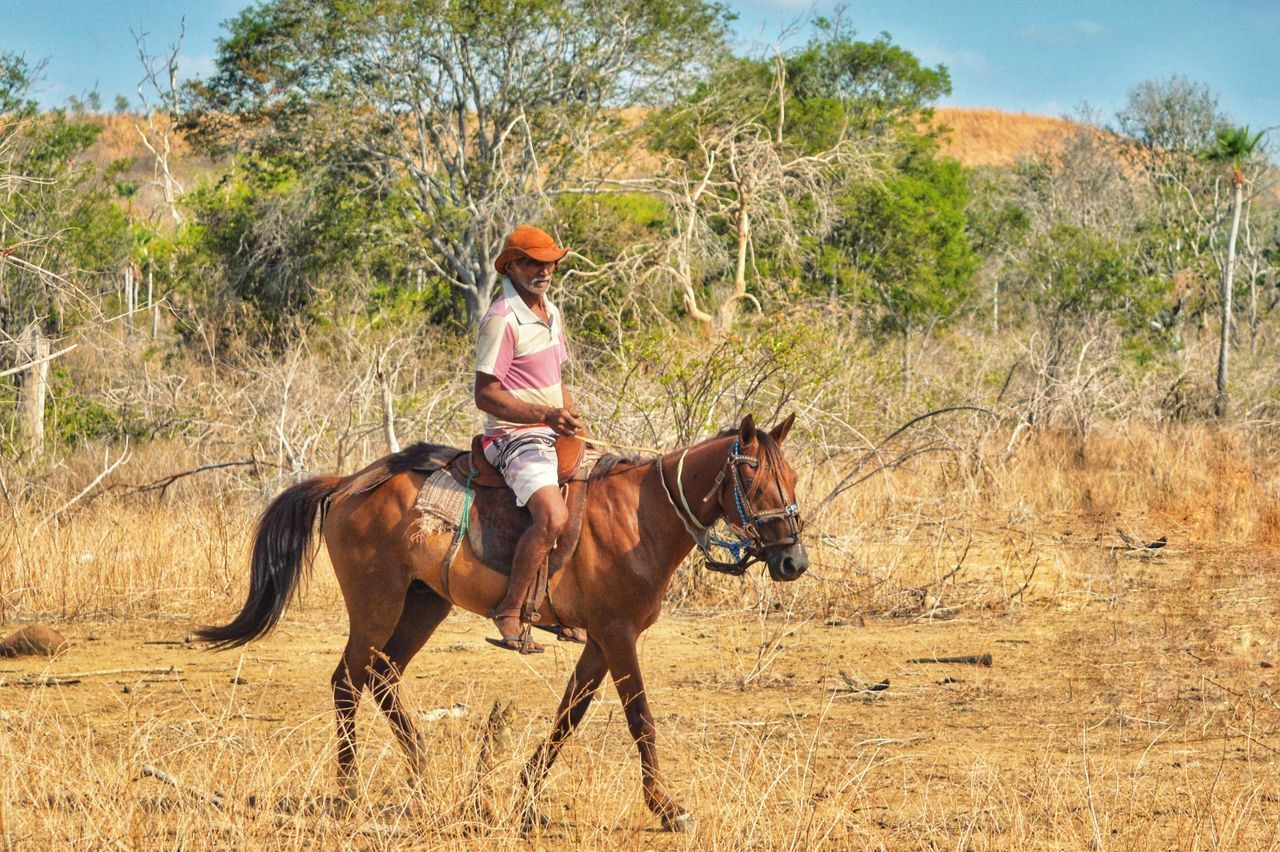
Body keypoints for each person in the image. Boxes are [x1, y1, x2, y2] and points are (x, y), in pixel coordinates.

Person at [474, 225, 586, 653]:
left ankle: (565, 608)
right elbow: (485, 395)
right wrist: (546, 415)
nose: (543, 270)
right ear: (512, 266)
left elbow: (555, 379)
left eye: (549, 262)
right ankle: (510, 609)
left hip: (553, 428)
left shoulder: (551, 312)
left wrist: (571, 414)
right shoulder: (502, 319)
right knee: (553, 518)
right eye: (532, 262)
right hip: (515, 437)